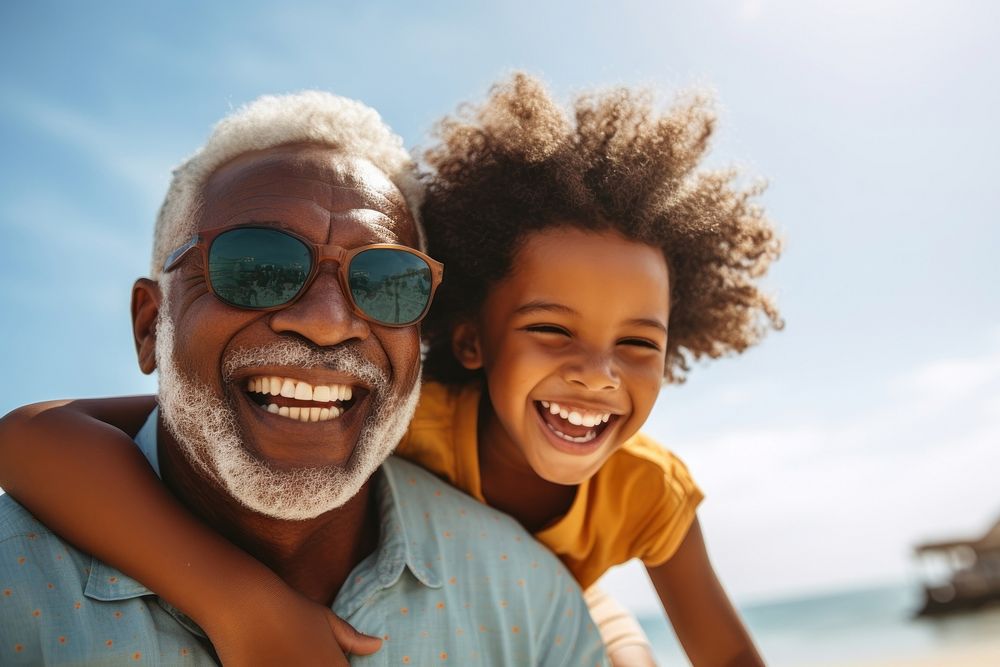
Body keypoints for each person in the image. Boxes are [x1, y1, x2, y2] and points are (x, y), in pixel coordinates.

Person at [1, 73, 781, 666]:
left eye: (386, 283)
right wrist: (238, 601)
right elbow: (28, 436)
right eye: (257, 264)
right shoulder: (423, 416)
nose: (327, 320)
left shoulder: (576, 557)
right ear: (151, 325)